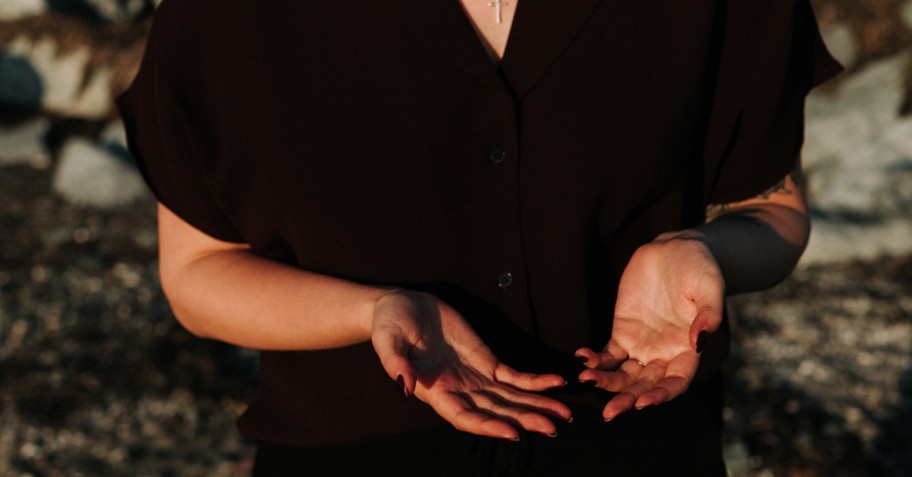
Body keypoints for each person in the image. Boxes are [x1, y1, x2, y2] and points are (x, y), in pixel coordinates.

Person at [117, 0, 842, 474]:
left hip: (642, 448)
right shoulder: (226, 18)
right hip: (350, 456)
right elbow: (199, 272)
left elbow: (771, 206)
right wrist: (368, 311)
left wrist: (702, 251)